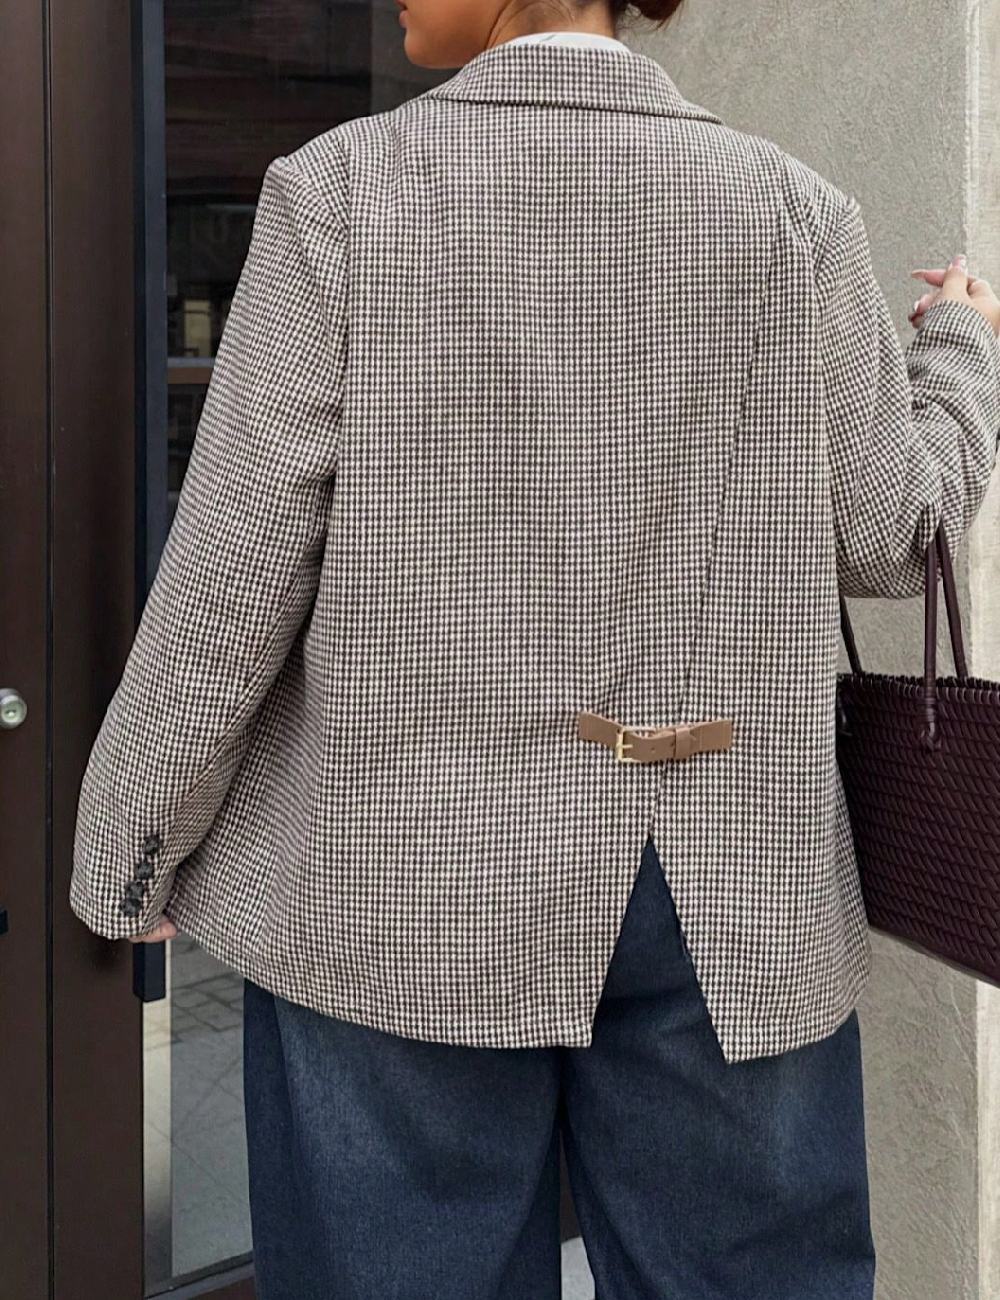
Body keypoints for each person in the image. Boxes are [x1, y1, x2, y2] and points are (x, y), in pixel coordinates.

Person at [70, 0, 1000, 1296]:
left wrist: (132, 850)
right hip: (732, 888)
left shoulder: (342, 195)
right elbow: (898, 537)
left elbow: (231, 579)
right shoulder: (793, 212)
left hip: (401, 882)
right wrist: (960, 352)